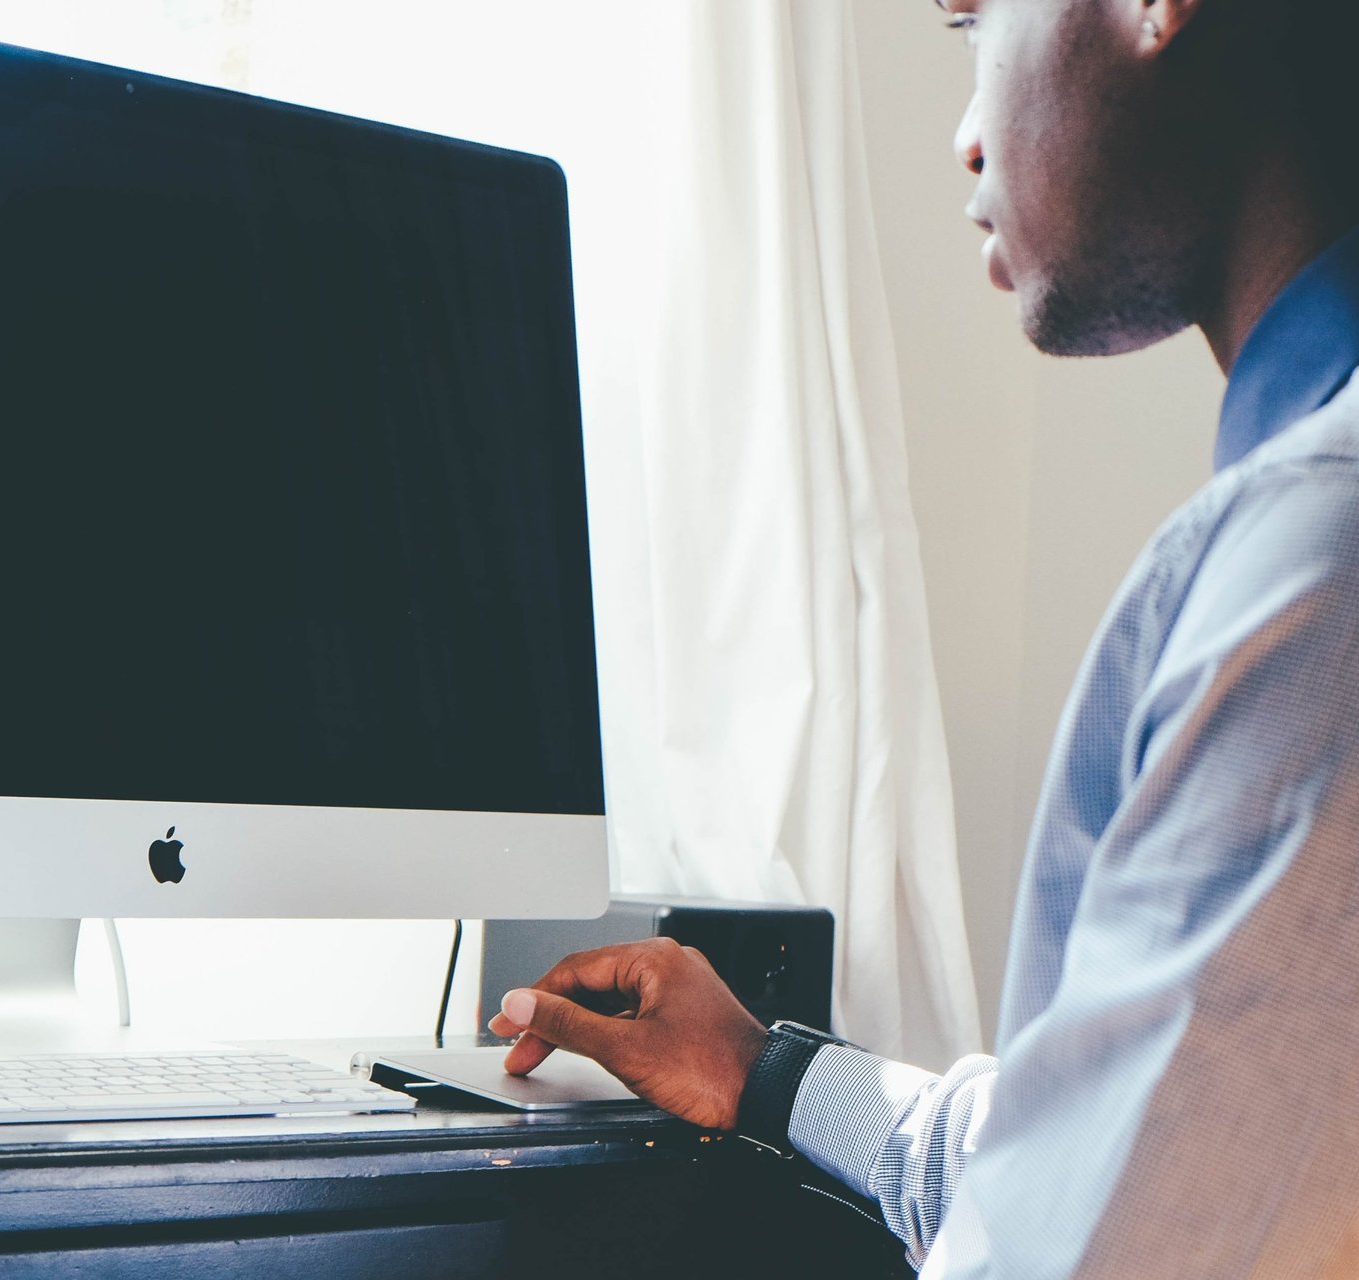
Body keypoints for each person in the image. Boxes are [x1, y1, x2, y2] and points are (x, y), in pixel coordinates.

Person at [489, 0, 1359, 1274]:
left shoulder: (1314, 572)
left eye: (974, 22)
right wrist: (764, 1066)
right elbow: (1080, 1158)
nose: (965, 137)